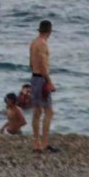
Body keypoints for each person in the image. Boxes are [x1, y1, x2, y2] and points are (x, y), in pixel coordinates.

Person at [30, 19, 58, 153]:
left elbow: (31, 63)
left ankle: (36, 143)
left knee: (37, 111)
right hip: (41, 79)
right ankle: (44, 143)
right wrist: (49, 80)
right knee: (48, 111)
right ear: (49, 31)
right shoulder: (43, 44)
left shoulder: (33, 43)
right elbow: (42, 64)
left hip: (34, 77)